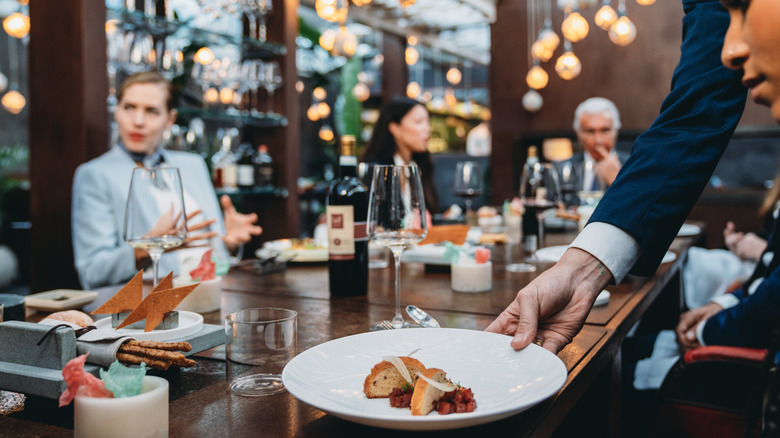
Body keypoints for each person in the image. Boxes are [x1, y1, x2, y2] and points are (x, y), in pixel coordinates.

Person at [486, 0, 748, 353]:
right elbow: (697, 111)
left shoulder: (628, 164)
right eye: (589, 131)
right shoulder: (567, 169)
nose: (734, 54)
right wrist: (580, 272)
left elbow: (698, 109)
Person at [72, 71, 262, 290]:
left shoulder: (192, 164)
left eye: (151, 111)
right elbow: (91, 272)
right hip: (152, 302)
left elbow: (213, 254)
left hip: (214, 291)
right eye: (129, 107)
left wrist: (228, 243)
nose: (138, 121)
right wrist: (147, 246)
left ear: (170, 119)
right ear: (117, 112)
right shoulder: (95, 174)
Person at [360, 97, 440, 214]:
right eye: (419, 122)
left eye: (428, 122)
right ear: (395, 128)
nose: (428, 128)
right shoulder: (377, 169)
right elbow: (373, 220)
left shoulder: (422, 166)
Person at [562, 97, 629, 192]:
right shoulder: (562, 169)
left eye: (605, 130)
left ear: (616, 131)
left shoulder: (632, 166)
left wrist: (617, 181)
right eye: (590, 131)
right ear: (578, 134)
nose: (598, 140)